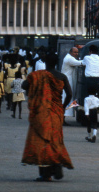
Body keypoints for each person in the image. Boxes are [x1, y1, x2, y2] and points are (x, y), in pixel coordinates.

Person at [21, 53, 73, 182]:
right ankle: (55, 163)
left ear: (44, 61)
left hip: (40, 113)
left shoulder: (37, 75)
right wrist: (62, 107)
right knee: (54, 141)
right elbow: (70, 94)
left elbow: (24, 86)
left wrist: (32, 82)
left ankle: (45, 174)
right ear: (57, 62)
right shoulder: (62, 77)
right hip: (56, 113)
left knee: (40, 142)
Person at [61, 46, 83, 125]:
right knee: (66, 99)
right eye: (75, 52)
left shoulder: (70, 58)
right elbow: (81, 63)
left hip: (69, 82)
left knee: (67, 99)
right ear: (70, 52)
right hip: (67, 83)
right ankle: (62, 119)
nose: (76, 54)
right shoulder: (69, 58)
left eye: (77, 52)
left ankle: (62, 118)